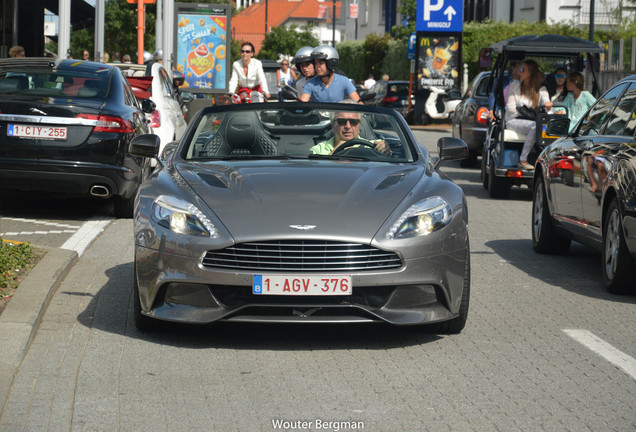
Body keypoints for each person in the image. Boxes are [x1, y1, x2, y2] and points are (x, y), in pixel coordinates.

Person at [505, 60, 552, 170]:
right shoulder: (515, 86)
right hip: (514, 120)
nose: (519, 72)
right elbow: (511, 109)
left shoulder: (541, 90)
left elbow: (546, 102)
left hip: (531, 122)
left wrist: (547, 105)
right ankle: (523, 159)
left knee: (544, 127)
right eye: (520, 69)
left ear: (530, 73)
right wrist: (529, 114)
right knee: (536, 127)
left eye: (523, 70)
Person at [310, 110, 391, 155]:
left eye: (353, 121)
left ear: (359, 126)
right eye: (342, 121)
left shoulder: (374, 146)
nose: (348, 126)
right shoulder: (318, 150)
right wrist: (334, 153)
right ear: (333, 127)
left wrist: (385, 148)